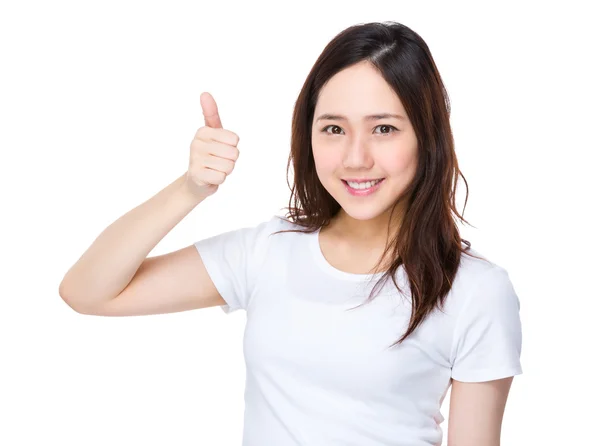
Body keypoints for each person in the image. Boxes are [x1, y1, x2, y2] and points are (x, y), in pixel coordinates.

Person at [59, 21, 522, 446]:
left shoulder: (476, 291)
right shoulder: (267, 252)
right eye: (334, 129)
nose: (355, 158)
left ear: (427, 135)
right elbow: (87, 292)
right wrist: (189, 189)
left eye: (384, 128)